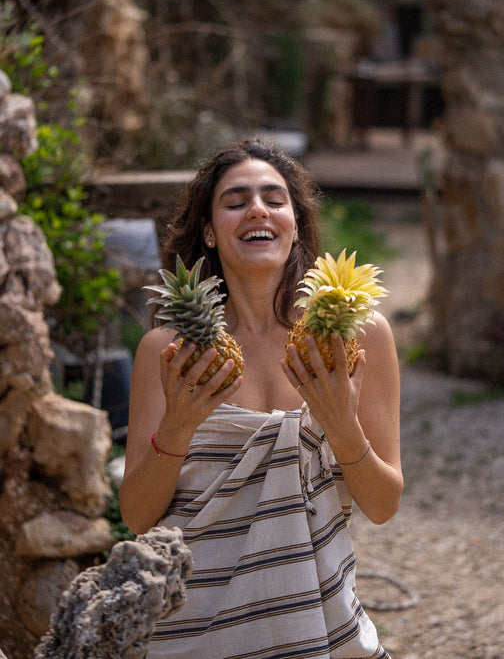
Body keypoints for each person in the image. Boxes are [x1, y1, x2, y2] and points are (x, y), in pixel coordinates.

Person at [119, 138, 403, 659]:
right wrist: (178, 427)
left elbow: (383, 505)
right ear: (209, 231)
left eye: (275, 199)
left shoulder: (359, 337)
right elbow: (138, 516)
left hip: (322, 630)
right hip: (192, 634)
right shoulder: (169, 351)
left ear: (294, 225)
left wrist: (343, 426)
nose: (257, 210)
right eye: (235, 201)